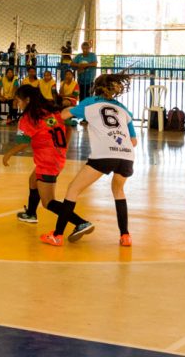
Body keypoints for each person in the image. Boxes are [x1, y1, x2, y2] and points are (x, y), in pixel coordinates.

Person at [44, 73, 137, 247]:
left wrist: (66, 108)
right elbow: (134, 141)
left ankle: (57, 235)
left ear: (96, 87)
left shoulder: (90, 102)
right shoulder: (124, 109)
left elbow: (64, 115)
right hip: (127, 156)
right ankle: (125, 236)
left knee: (73, 190)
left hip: (104, 154)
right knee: (118, 191)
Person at [3, 85, 93, 240]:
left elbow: (23, 142)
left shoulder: (28, 118)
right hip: (56, 157)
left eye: (18, 100)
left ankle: (81, 222)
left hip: (47, 162)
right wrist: (63, 147)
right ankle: (31, 213)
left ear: (27, 100)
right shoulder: (51, 111)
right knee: (33, 180)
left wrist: (8, 154)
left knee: (48, 202)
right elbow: (69, 128)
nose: (16, 104)